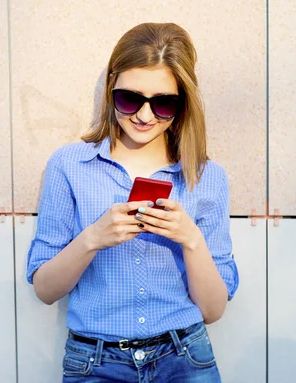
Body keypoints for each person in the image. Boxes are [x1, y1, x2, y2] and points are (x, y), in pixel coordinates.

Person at [26, 22, 239, 382]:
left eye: (163, 103)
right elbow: (45, 290)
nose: (143, 115)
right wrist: (93, 238)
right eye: (129, 98)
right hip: (94, 362)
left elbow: (213, 309)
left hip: (185, 358)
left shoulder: (208, 176)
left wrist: (191, 240)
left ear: (182, 103)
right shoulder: (69, 165)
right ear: (111, 89)